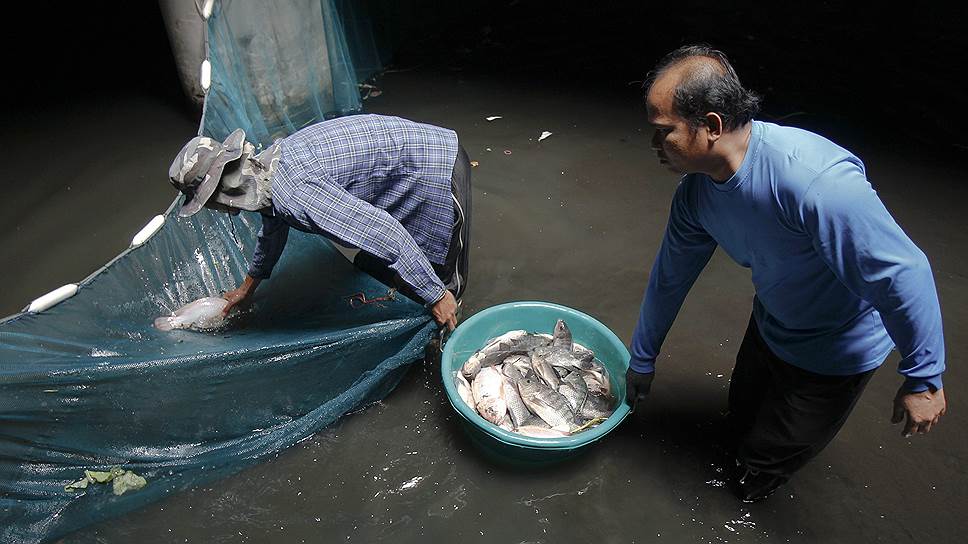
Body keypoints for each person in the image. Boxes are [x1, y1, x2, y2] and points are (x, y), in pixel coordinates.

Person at [625, 45, 947, 502]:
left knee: (761, 464)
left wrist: (924, 379)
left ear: (712, 126)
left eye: (663, 132)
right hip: (772, 323)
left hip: (835, 353)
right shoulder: (696, 196)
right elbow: (670, 277)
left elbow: (904, 273)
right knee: (736, 424)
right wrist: (643, 357)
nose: (654, 145)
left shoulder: (816, 184)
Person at [167, 114, 471, 330]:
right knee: (396, 262)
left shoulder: (297, 195)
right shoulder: (266, 167)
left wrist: (435, 295)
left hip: (435, 167)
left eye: (208, 203)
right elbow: (272, 231)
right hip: (400, 167)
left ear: (219, 193)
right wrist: (247, 288)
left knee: (443, 281)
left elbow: (383, 231)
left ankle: (451, 333)